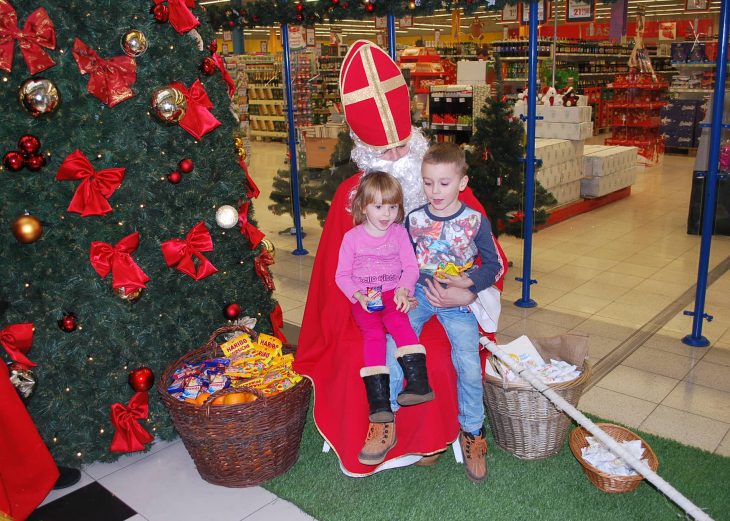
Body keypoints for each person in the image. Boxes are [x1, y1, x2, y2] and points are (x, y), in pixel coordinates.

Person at [292, 40, 508, 477]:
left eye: (401, 148)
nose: (395, 159)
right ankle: (386, 427)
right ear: (364, 152)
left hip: (448, 298)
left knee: (445, 351)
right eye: (383, 152)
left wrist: (461, 293)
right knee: (373, 348)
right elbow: (336, 276)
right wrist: (362, 301)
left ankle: (459, 432)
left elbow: (490, 258)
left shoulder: (442, 185)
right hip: (376, 303)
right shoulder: (350, 197)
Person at [405, 142, 504, 483]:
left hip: (458, 299)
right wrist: (404, 287)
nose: (435, 190)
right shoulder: (413, 219)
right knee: (396, 339)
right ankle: (383, 418)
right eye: (428, 182)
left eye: (444, 183)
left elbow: (495, 266)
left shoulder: (475, 221)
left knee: (468, 364)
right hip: (420, 294)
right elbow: (404, 260)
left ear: (462, 182)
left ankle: (474, 432)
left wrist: (469, 284)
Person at [335, 172, 432, 466]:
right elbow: (342, 275)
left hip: (392, 294)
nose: (386, 214)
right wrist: (358, 296)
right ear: (363, 206)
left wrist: (404, 289)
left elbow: (410, 267)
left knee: (401, 325)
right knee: (374, 336)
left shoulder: (399, 233)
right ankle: (379, 403)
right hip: (366, 298)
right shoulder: (352, 238)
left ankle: (418, 383)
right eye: (378, 207)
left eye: (392, 207)